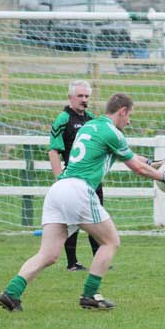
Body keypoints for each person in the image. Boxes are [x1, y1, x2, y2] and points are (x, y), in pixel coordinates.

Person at [0, 93, 165, 312]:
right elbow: (137, 167)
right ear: (122, 111)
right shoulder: (112, 132)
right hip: (79, 190)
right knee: (111, 241)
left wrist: (154, 163)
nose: (130, 121)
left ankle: (11, 293)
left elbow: (131, 158)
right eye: (129, 115)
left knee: (48, 254)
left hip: (59, 190)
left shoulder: (90, 127)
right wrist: (164, 177)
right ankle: (89, 294)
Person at [48, 80, 99, 271]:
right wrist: (59, 178)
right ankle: (72, 262)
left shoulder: (91, 119)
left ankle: (98, 259)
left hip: (92, 179)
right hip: (72, 179)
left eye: (86, 96)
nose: (84, 100)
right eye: (80, 96)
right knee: (72, 220)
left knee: (97, 217)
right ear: (70, 97)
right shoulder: (63, 119)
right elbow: (54, 151)